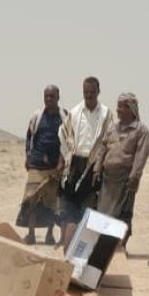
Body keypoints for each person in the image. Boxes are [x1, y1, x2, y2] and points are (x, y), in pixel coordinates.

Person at [58, 76, 112, 247]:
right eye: (86, 92)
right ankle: (68, 246)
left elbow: (109, 139)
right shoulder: (74, 112)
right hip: (74, 165)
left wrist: (101, 165)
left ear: (98, 92)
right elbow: (64, 136)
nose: (89, 95)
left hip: (95, 165)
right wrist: (63, 161)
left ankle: (84, 247)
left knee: (89, 208)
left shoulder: (106, 114)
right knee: (69, 208)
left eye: (92, 92)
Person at [93, 93, 149, 248]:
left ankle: (121, 246)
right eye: (118, 106)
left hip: (126, 179)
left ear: (131, 109)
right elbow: (102, 148)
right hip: (108, 179)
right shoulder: (112, 128)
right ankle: (104, 246)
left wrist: (134, 176)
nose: (118, 110)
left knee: (123, 214)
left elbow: (141, 156)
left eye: (122, 106)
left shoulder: (141, 131)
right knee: (103, 214)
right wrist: (97, 168)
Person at [16, 86, 68, 245]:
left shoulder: (64, 116)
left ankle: (49, 235)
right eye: (46, 96)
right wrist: (28, 156)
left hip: (54, 166)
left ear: (58, 97)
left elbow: (67, 141)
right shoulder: (37, 116)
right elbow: (29, 136)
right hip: (36, 165)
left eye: (52, 96)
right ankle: (31, 234)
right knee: (31, 200)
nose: (49, 99)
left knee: (51, 202)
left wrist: (61, 161)